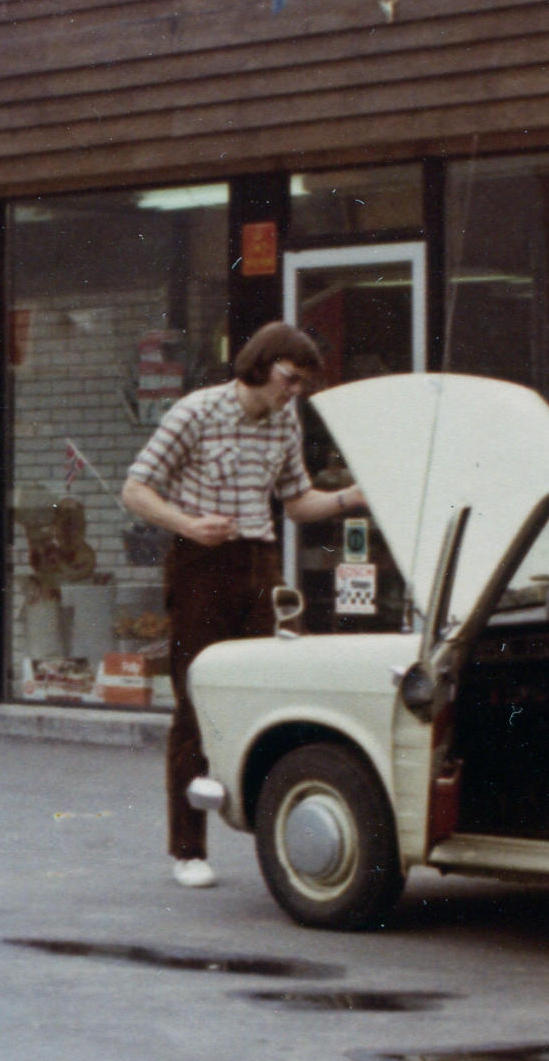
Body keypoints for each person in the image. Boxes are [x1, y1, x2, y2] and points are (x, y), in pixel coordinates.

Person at [121, 322, 368, 888]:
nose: (294, 392)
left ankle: (281, 835)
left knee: (271, 695)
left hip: (260, 562)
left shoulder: (285, 418)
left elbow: (297, 502)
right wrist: (188, 523)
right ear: (260, 365)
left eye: (303, 384)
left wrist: (354, 496)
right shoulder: (195, 412)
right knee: (196, 700)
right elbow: (136, 488)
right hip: (200, 561)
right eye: (289, 378)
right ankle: (188, 849)